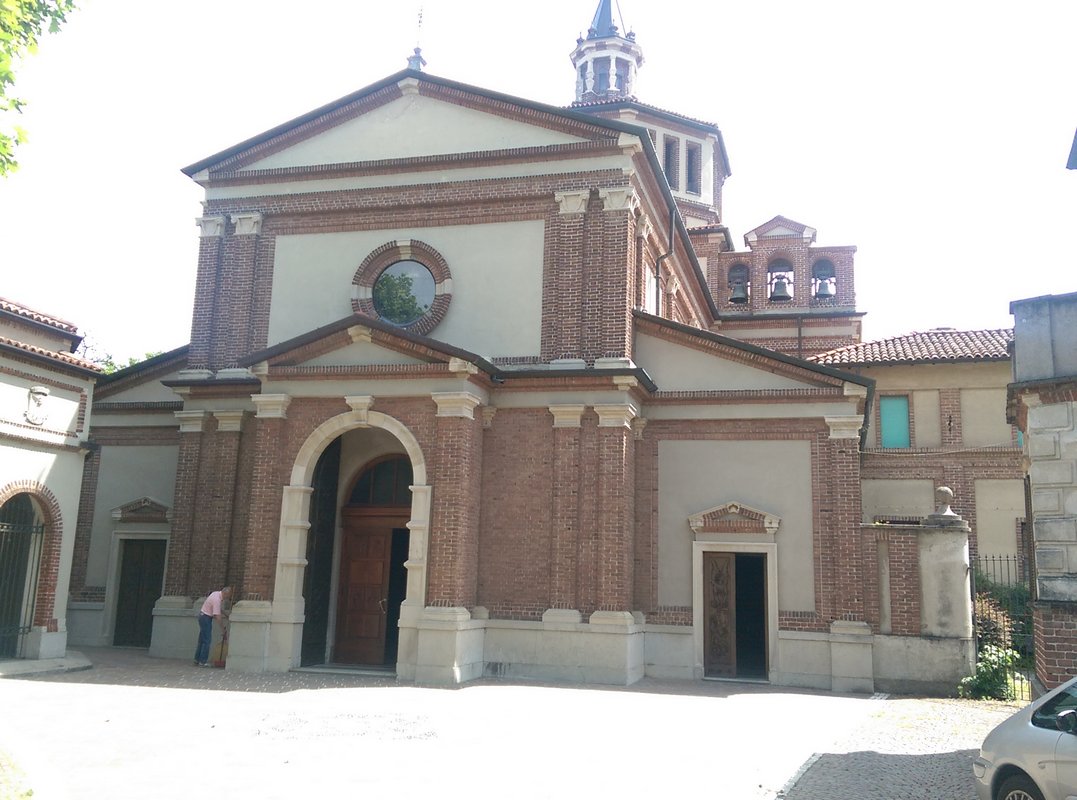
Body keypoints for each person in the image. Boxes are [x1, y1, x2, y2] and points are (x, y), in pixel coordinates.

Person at [194, 586, 231, 667]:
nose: (228, 598)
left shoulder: (216, 593)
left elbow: (217, 608)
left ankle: (197, 659)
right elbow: (217, 616)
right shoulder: (217, 599)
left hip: (202, 616)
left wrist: (225, 614)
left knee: (202, 640)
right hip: (206, 618)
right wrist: (223, 629)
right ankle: (202, 661)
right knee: (207, 640)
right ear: (225, 593)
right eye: (228, 596)